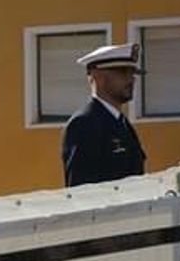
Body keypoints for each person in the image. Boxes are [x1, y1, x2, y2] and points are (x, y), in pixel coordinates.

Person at [61, 42, 147, 186]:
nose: (131, 79)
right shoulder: (83, 125)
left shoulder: (123, 124)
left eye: (132, 73)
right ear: (98, 76)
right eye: (123, 72)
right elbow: (80, 191)